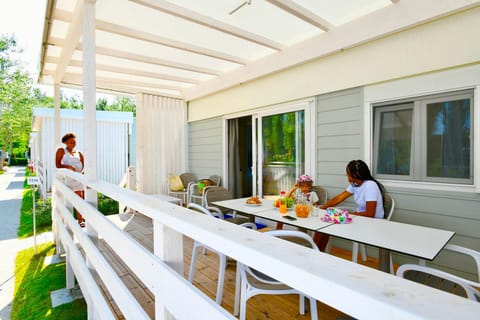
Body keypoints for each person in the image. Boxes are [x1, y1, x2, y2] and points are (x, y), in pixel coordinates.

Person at [314, 160, 385, 251]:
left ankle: (315, 251)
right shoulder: (355, 184)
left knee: (328, 224)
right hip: (359, 218)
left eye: (348, 173)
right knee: (325, 224)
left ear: (355, 175)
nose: (346, 175)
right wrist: (323, 207)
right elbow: (339, 198)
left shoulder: (370, 186)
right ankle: (317, 252)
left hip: (372, 222)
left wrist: (349, 215)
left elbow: (370, 213)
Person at [55, 132, 85, 227]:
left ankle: (81, 219)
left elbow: (84, 165)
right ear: (66, 143)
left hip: (79, 178)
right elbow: (58, 165)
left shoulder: (79, 153)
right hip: (68, 178)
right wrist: (69, 166)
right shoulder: (61, 151)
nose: (73, 144)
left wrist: (82, 172)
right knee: (75, 198)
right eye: (71, 142)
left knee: (82, 199)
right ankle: (79, 220)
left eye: (74, 142)